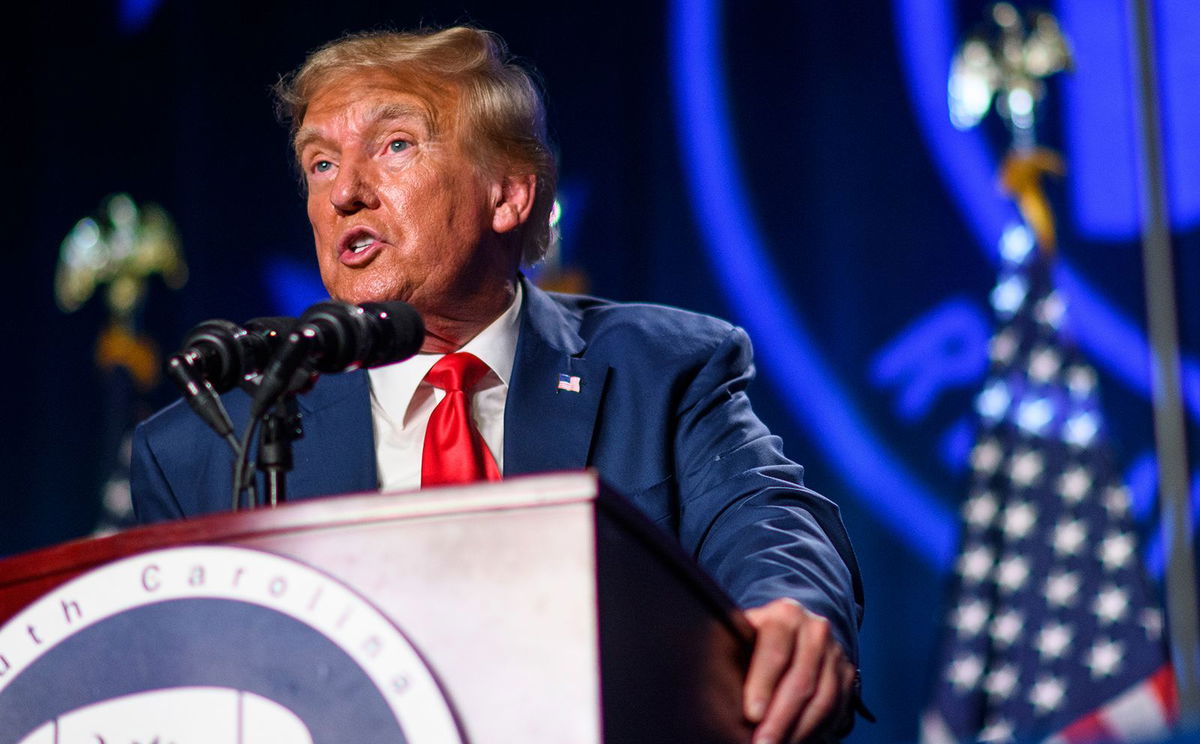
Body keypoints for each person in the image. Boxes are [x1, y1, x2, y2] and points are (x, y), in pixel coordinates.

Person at [132, 26, 865, 743]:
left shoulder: (656, 369)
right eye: (320, 164)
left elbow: (766, 518)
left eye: (394, 146)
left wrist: (790, 608)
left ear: (508, 195)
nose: (345, 193)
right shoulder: (208, 446)